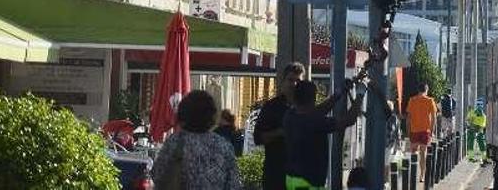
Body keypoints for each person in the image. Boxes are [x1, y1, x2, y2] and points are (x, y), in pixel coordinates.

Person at [151, 90, 242, 190]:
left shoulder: (175, 142)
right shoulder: (223, 146)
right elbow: (233, 184)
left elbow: (157, 174)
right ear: (212, 116)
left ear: (184, 114)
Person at [283, 80, 363, 190]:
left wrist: (337, 95)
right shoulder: (315, 122)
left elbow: (317, 111)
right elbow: (348, 120)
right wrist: (360, 94)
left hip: (292, 180)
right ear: (313, 99)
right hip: (309, 184)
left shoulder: (290, 116)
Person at [254, 62, 305, 190]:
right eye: (290, 80)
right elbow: (258, 138)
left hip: (302, 177)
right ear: (283, 82)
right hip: (276, 176)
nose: (294, 84)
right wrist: (280, 132)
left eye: (298, 81)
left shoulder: (307, 107)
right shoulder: (271, 107)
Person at [406, 83, 437, 182]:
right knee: (423, 153)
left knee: (413, 152)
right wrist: (432, 130)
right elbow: (434, 118)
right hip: (425, 131)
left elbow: (408, 118)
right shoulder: (430, 101)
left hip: (414, 130)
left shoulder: (412, 100)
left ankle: (413, 173)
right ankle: (422, 175)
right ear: (426, 90)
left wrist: (408, 131)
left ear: (418, 90)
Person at [466, 99, 488, 164]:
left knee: (482, 144)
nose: (479, 106)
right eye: (478, 104)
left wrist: (478, 130)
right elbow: (467, 120)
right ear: (476, 105)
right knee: (471, 143)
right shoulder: (472, 112)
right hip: (472, 130)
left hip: (479, 130)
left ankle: (483, 158)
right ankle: (471, 157)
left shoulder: (483, 115)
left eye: (480, 104)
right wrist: (470, 125)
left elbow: (482, 125)